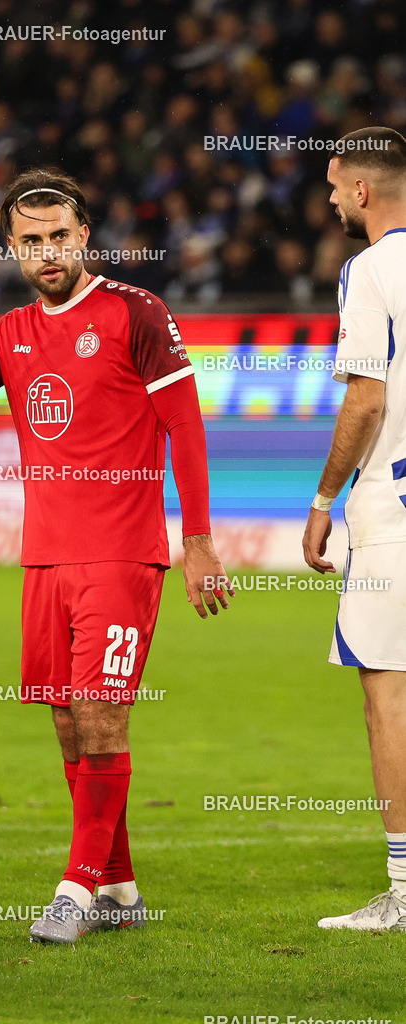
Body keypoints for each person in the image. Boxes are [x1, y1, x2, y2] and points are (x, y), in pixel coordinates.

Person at [0, 168, 232, 943]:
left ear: (84, 236)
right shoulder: (13, 332)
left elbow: (184, 426)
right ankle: (119, 886)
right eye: (31, 240)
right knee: (64, 719)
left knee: (100, 713)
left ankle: (76, 888)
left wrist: (196, 542)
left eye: (60, 236)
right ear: (12, 246)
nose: (47, 252)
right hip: (45, 556)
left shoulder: (135, 312)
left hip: (122, 555)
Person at [303, 126, 406, 930]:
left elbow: (365, 399)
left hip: (393, 514)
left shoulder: (370, 269)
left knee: (388, 694)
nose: (332, 200)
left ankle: (405, 896)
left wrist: (321, 501)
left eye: (336, 188)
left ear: (361, 190)